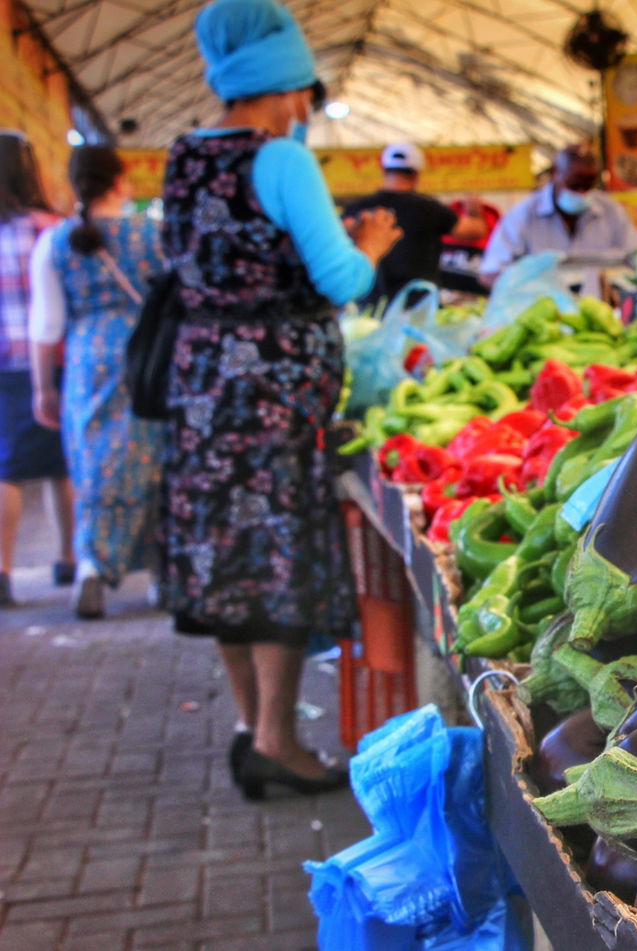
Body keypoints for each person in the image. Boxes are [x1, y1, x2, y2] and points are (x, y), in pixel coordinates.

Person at [163, 0, 401, 799]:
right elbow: (340, 281)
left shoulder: (184, 157)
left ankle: (250, 723)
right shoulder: (283, 161)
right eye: (305, 92)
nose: (306, 107)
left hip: (201, 390)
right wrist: (369, 246)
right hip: (270, 397)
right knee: (275, 561)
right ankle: (275, 740)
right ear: (288, 86)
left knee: (224, 560)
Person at [28, 146, 166, 620]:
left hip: (89, 361)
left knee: (94, 464)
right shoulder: (155, 234)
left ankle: (91, 564)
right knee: (158, 460)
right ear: (120, 180)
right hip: (150, 357)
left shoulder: (56, 241)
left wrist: (42, 387)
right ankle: (162, 571)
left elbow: (46, 326)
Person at [0, 130, 76, 607]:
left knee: (5, 469)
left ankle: (2, 571)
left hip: (3, 364)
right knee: (61, 463)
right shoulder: (55, 228)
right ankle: (68, 559)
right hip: (56, 361)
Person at [341, 142, 487, 306]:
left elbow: (341, 236)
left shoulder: (359, 209)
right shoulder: (430, 208)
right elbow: (475, 230)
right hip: (419, 306)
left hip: (370, 308)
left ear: (383, 170)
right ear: (417, 174)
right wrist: (474, 210)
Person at [479, 144, 637, 285]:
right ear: (555, 173)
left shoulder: (611, 212)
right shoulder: (523, 215)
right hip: (541, 309)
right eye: (574, 185)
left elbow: (636, 258)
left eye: (588, 186)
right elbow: (491, 273)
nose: (581, 193)